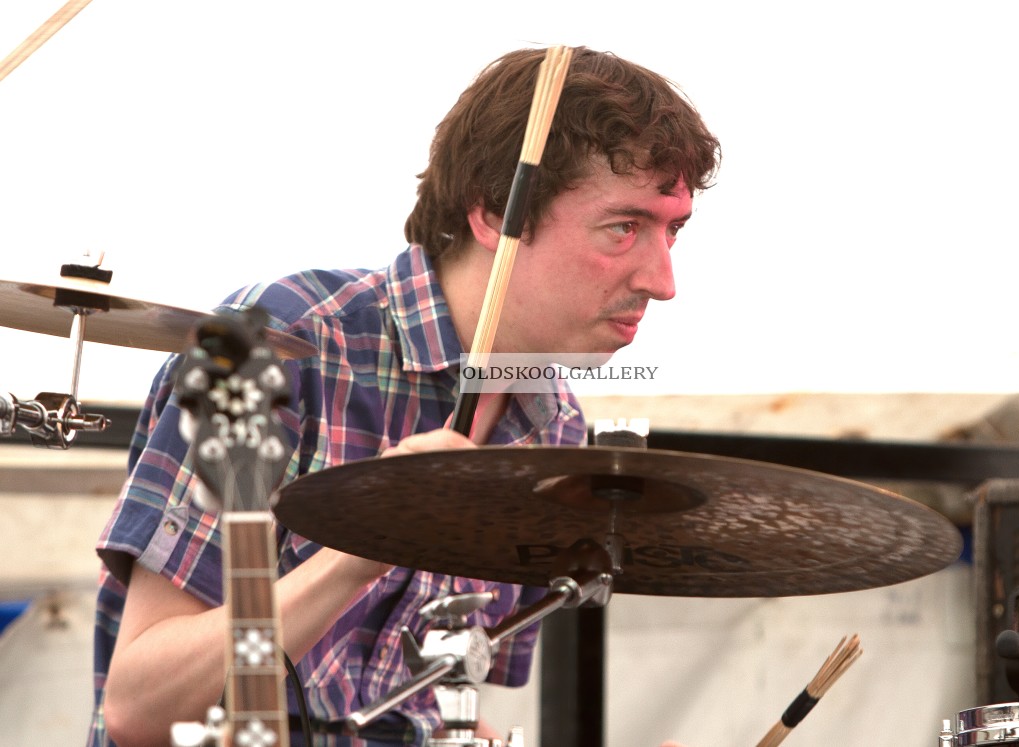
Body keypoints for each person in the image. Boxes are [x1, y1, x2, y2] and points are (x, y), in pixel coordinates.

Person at [88, 45, 720, 747]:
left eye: (674, 231)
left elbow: (417, 710)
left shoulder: (554, 422)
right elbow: (139, 707)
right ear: (493, 216)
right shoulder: (279, 342)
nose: (663, 281)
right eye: (624, 227)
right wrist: (360, 547)